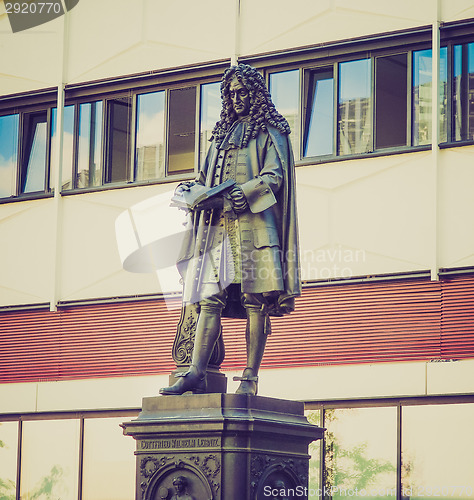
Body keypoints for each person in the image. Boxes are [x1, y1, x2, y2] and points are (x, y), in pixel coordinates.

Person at [160, 63, 300, 397]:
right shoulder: (221, 136)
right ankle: (195, 372)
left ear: (255, 94)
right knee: (209, 297)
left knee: (255, 300)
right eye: (231, 93)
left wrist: (246, 191)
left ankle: (250, 377)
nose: (237, 98)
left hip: (255, 227)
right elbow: (205, 179)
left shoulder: (270, 132)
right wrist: (190, 192)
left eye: (242, 92)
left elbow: (274, 177)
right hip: (218, 229)